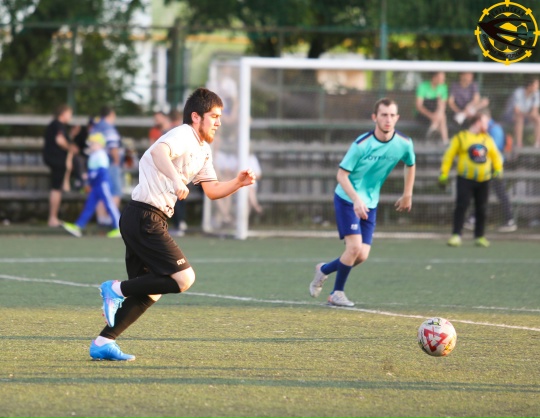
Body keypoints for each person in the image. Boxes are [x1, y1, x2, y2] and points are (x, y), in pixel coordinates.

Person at [89, 87, 257, 361]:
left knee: (152, 290)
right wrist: (177, 180)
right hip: (144, 217)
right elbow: (158, 153)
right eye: (214, 116)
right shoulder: (184, 134)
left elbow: (212, 190)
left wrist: (237, 183)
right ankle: (115, 289)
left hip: (145, 218)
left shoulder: (203, 149)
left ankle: (103, 342)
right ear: (196, 116)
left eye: (219, 117)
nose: (218, 122)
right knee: (184, 278)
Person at [309, 98, 416, 307]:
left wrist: (407, 194)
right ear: (375, 117)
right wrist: (356, 200)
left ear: (397, 118)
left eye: (392, 115)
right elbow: (341, 175)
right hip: (347, 198)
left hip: (370, 202)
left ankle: (324, 270)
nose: (388, 119)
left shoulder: (404, 143)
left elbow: (410, 164)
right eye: (383, 115)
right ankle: (336, 293)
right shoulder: (362, 144)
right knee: (354, 248)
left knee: (361, 255)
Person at [439, 111, 504, 248]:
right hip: (465, 179)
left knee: (482, 208)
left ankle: (479, 236)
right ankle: (456, 235)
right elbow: (449, 156)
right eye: (485, 122)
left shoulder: (487, 139)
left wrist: (498, 169)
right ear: (478, 122)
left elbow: (496, 156)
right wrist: (444, 173)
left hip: (484, 180)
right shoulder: (461, 137)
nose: (487, 125)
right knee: (461, 206)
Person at [60, 132, 121, 238]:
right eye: (91, 143)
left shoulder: (101, 155)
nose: (92, 145)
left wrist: (89, 177)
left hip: (102, 185)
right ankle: (78, 226)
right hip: (95, 186)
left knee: (109, 205)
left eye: (94, 143)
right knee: (89, 206)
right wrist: (88, 179)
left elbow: (101, 171)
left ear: (100, 144)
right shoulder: (94, 155)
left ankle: (119, 228)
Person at [464, 115, 517, 233]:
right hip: (488, 166)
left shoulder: (495, 129)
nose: (478, 123)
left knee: (498, 192)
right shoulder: (485, 130)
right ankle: (473, 218)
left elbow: (493, 150)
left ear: (486, 118)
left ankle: (509, 220)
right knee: (485, 192)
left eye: (481, 120)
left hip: (495, 167)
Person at [42, 104, 79, 227]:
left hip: (55, 160)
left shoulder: (55, 125)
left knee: (57, 187)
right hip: (57, 160)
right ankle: (52, 218)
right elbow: (60, 140)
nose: (70, 116)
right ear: (63, 113)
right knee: (56, 188)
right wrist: (71, 148)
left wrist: (71, 135)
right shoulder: (57, 125)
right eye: (69, 114)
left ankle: (53, 217)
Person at [91, 106, 124, 224]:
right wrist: (117, 161)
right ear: (111, 114)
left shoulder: (96, 127)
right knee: (115, 191)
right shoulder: (108, 128)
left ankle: (101, 219)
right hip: (110, 163)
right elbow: (113, 146)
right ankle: (112, 219)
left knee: (101, 192)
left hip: (96, 164)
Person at [503, 77, 540, 148]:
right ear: (529, 85)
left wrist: (532, 115)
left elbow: (534, 112)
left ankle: (538, 143)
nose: (537, 87)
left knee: (538, 118)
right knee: (520, 118)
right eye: (536, 85)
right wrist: (529, 115)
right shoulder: (518, 93)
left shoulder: (536, 94)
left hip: (525, 116)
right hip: (510, 116)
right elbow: (516, 111)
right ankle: (519, 144)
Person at [416, 71, 449, 145]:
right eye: (441, 78)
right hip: (423, 115)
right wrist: (431, 116)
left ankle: (432, 130)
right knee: (442, 117)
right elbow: (419, 106)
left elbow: (443, 106)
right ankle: (445, 141)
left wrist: (439, 100)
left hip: (437, 116)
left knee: (442, 116)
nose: (443, 79)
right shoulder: (423, 86)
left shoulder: (443, 87)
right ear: (434, 77)